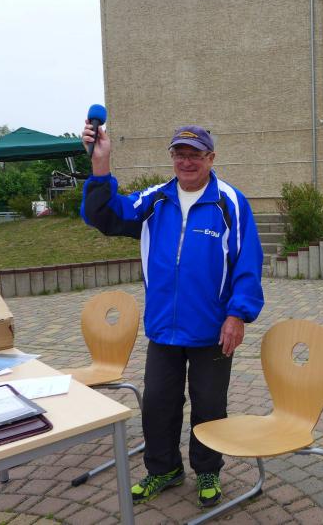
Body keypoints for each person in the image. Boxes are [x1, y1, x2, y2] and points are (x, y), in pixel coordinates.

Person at [80, 123, 264, 508]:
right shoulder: (155, 200)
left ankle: (208, 470)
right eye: (180, 154)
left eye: (195, 154)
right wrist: (101, 163)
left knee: (209, 406)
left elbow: (248, 263)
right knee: (157, 405)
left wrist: (237, 315)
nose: (187, 161)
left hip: (212, 331)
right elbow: (104, 216)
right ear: (172, 158)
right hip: (163, 329)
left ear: (211, 158)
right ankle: (164, 469)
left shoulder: (230, 202)